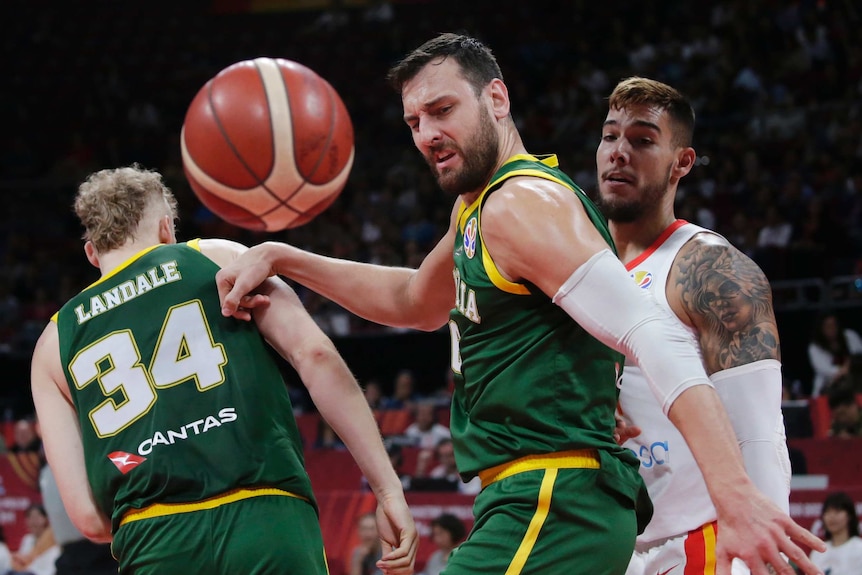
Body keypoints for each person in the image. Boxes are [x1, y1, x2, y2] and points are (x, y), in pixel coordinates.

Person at [216, 33, 824, 574]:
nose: (427, 134)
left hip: (555, 498)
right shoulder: (476, 209)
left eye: (442, 110)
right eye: (413, 122)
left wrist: (736, 495)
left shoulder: (522, 205)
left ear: (498, 100)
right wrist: (285, 257)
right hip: (537, 500)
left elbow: (650, 330)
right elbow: (414, 302)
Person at [29, 166, 417, 575]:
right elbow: (315, 356)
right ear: (166, 230)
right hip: (266, 516)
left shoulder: (52, 345)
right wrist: (387, 488)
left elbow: (88, 520)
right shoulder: (216, 258)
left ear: (92, 254)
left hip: (153, 541)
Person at [596, 76, 794, 575]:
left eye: (642, 140)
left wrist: (764, 558)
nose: (619, 152)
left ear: (682, 162)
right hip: (606, 545)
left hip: (696, 545)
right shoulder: (582, 270)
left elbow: (760, 433)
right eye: (609, 135)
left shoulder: (711, 270)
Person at [807, 312, 862, 397]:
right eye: (828, 326)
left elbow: (858, 356)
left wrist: (850, 364)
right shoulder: (814, 347)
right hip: (828, 385)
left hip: (854, 383)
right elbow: (824, 370)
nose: (832, 329)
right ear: (821, 328)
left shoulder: (850, 336)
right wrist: (844, 369)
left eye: (834, 325)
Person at [808, 491, 862, 575]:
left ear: (849, 515)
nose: (832, 516)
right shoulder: (818, 551)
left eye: (837, 511)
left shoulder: (859, 548)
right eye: (828, 512)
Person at [9, 504, 60, 575]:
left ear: (45, 519)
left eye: (36, 517)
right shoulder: (27, 539)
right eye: (29, 517)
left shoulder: (54, 540)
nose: (32, 522)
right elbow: (22, 561)